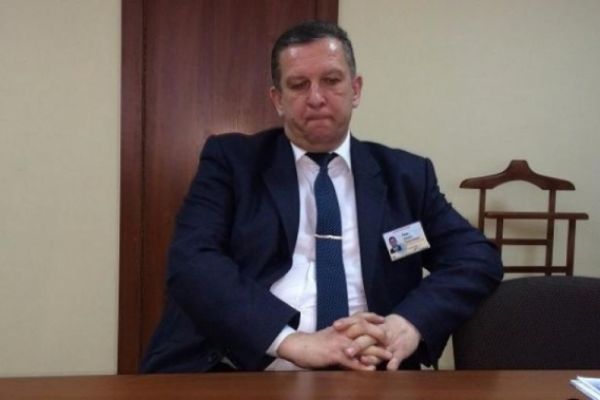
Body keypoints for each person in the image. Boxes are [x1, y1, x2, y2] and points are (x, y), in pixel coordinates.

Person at [140, 20, 502, 373]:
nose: (316, 98)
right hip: (248, 369)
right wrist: (291, 341)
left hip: (371, 371)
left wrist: (408, 323)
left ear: (355, 89)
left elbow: (476, 257)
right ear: (277, 99)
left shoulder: (406, 176)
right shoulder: (232, 162)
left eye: (331, 80)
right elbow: (192, 261)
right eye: (298, 85)